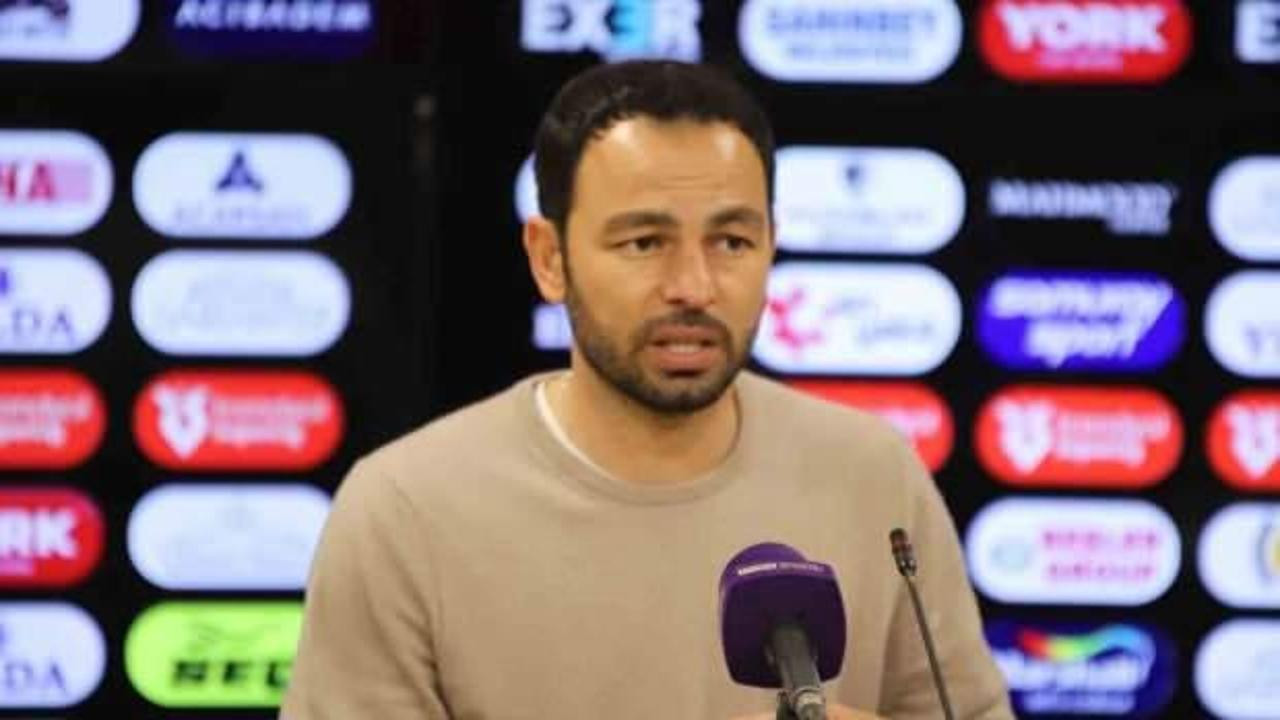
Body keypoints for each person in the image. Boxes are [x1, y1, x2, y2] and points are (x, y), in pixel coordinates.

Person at [280, 59, 1014, 720]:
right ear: (549, 258)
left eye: (732, 241)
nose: (693, 286)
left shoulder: (874, 476)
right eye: (644, 242)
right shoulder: (404, 510)